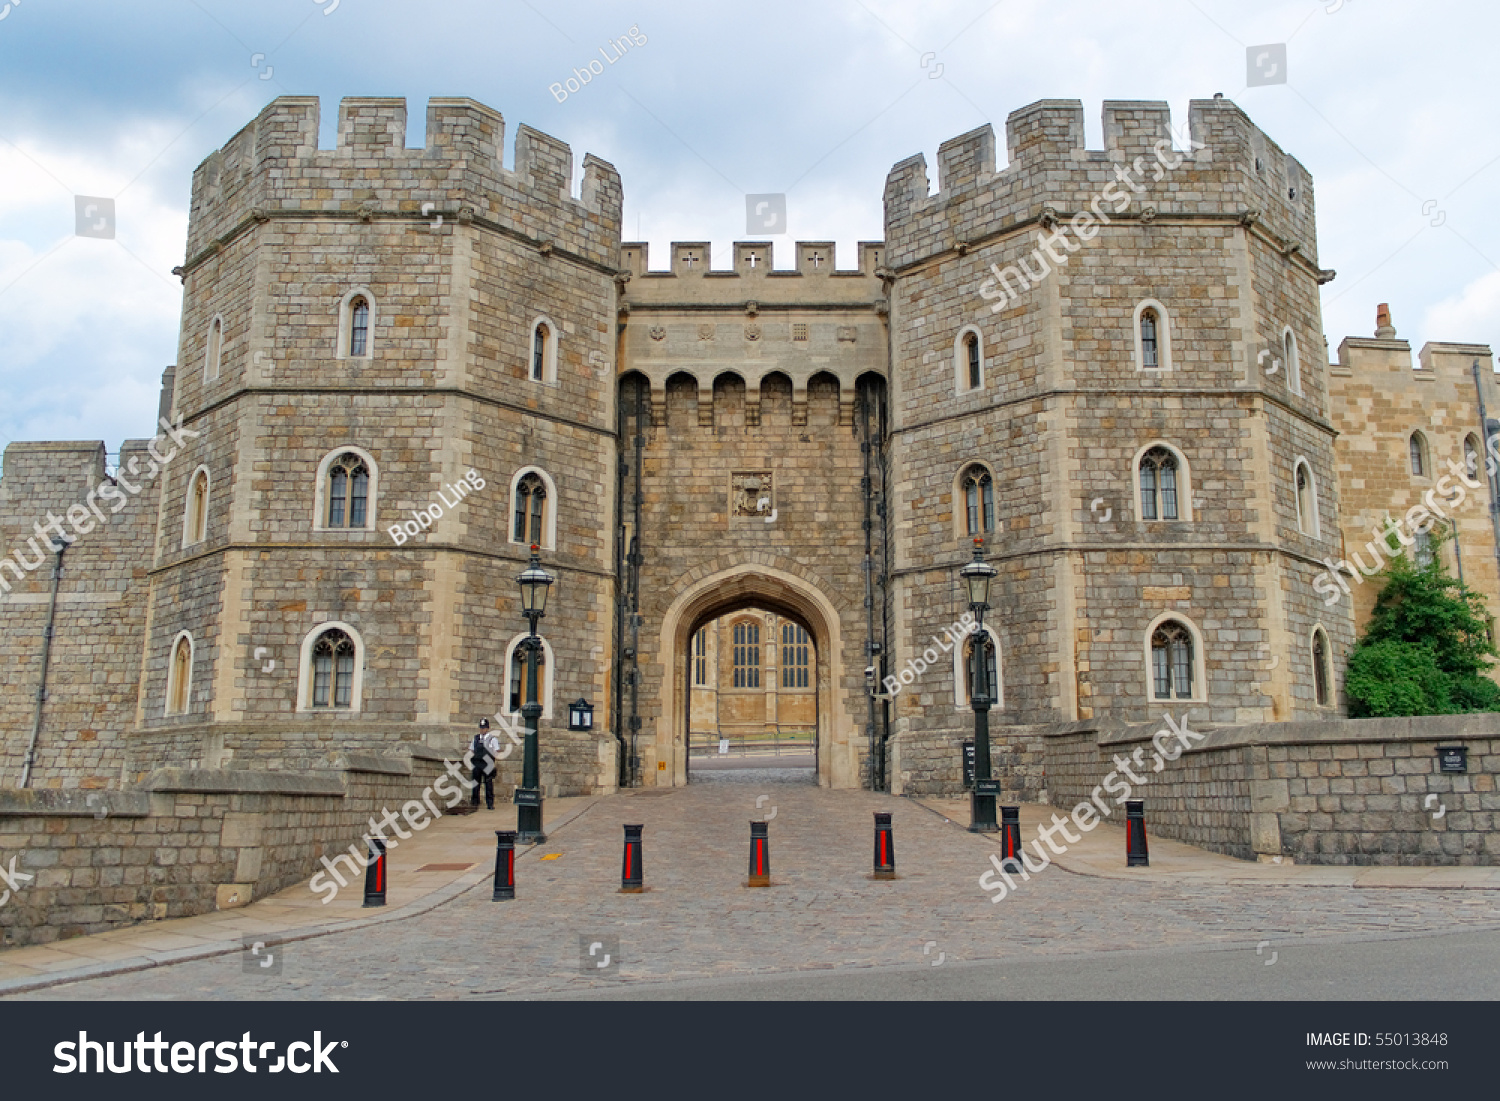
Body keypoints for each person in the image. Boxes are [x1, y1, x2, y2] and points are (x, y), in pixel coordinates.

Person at [470, 719, 499, 809]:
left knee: (488, 784)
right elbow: (471, 750)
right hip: (477, 763)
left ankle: (490, 803)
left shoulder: (492, 739)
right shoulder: (475, 738)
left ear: (488, 728)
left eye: (484, 728)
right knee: (475, 783)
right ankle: (475, 802)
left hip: (488, 764)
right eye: (481, 728)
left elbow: (496, 751)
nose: (482, 730)